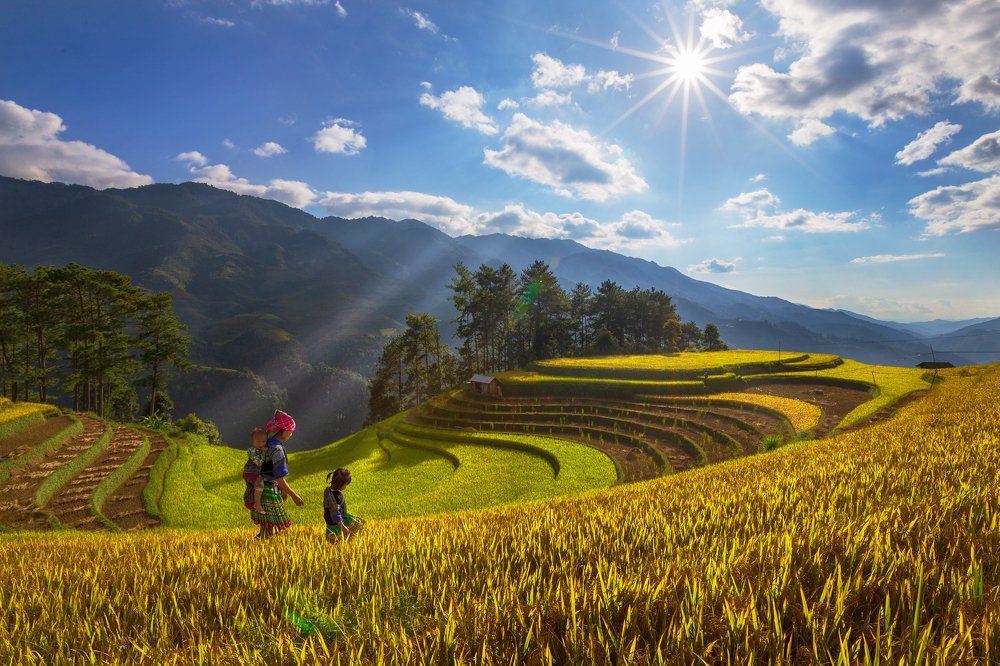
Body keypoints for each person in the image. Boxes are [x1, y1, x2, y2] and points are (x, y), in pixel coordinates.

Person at [250, 409, 304, 538]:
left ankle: (261, 547)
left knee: (267, 525)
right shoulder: (278, 450)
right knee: (270, 526)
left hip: (259, 489)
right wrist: (294, 495)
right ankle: (261, 549)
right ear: (284, 431)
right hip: (269, 489)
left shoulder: (265, 445)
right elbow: (279, 478)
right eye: (291, 431)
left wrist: (283, 492)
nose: (291, 434)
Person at [324, 467, 364, 542]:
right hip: (337, 522)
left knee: (355, 527)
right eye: (346, 484)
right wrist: (343, 527)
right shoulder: (336, 497)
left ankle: (351, 541)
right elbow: (335, 514)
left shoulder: (328, 490)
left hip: (336, 518)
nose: (346, 486)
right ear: (340, 484)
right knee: (342, 538)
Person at [243, 427, 268, 517]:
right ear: (252, 442)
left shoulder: (260, 450)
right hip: (251, 472)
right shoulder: (252, 450)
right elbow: (259, 462)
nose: (261, 444)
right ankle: (257, 504)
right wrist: (264, 452)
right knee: (259, 484)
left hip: (254, 472)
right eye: (258, 442)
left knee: (252, 488)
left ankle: (250, 502)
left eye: (263, 441)